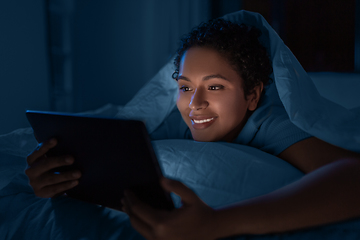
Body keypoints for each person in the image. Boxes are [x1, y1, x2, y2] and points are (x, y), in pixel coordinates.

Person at [25, 18, 360, 239]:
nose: (194, 104)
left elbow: (352, 178)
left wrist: (219, 222)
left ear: (253, 94)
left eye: (214, 87)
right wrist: (56, 178)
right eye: (185, 87)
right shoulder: (170, 121)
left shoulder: (268, 123)